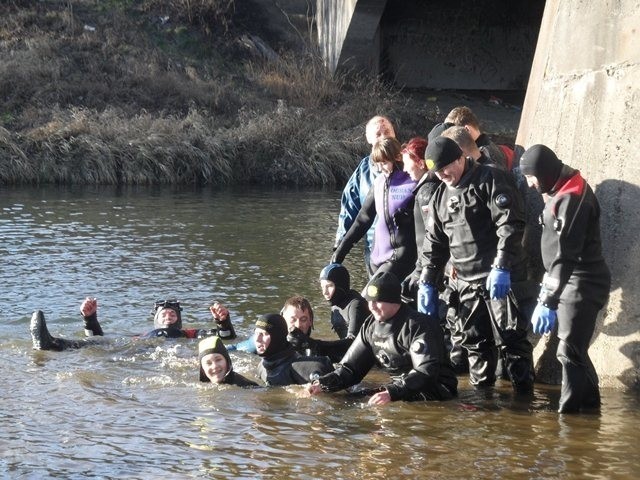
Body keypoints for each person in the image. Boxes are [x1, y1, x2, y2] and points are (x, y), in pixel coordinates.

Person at [417, 136, 535, 394]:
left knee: (511, 342)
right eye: (437, 172)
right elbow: (434, 243)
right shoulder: (439, 196)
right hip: (466, 284)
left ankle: (523, 405)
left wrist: (502, 265)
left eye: (446, 168)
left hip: (501, 279)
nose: (443, 175)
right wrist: (427, 279)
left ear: (460, 158)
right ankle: (483, 406)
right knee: (475, 345)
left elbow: (510, 225)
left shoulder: (490, 179)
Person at [520, 144, 611, 413]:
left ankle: (569, 419)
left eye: (533, 178)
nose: (532, 185)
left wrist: (547, 299)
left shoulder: (571, 197)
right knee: (576, 350)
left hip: (580, 281)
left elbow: (564, 255)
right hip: (569, 280)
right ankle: (591, 408)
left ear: (545, 172)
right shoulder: (565, 186)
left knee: (568, 351)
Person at [306, 271, 457, 405]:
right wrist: (321, 383)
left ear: (394, 301)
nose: (372, 307)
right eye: (370, 301)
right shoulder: (370, 326)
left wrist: (392, 392)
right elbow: (349, 370)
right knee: (341, 403)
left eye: (377, 301)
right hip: (398, 389)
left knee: (368, 407)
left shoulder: (419, 325)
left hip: (436, 390)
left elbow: (426, 372)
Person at [332, 137, 417, 281]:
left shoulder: (413, 181)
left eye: (384, 163)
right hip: (377, 257)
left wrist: (411, 215)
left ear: (397, 157)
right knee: (374, 302)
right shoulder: (379, 183)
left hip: (400, 255)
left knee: (372, 295)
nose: (380, 168)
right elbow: (363, 219)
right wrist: (340, 252)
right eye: (377, 164)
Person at [30, 298, 236, 351]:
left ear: (179, 319)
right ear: (155, 320)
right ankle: (51, 343)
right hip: (138, 349)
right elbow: (98, 339)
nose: (169, 316)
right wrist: (90, 319)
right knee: (98, 346)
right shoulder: (142, 334)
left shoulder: (190, 333)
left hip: (171, 355)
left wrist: (222, 320)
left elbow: (226, 338)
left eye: (173, 314)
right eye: (164, 314)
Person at [335, 115, 397, 276]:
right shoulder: (363, 170)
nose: (384, 136)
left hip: (405, 248)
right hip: (374, 247)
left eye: (387, 131)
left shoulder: (409, 162)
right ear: (369, 139)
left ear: (394, 133)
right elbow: (350, 206)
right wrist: (340, 244)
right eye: (378, 134)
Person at [398, 136, 441, 301]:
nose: (404, 170)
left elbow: (432, 235)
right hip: (429, 266)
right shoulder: (429, 187)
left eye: (407, 163)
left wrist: (420, 271)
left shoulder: (427, 191)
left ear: (421, 163)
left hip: (430, 269)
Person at [254, 313, 334, 386]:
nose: (258, 339)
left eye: (264, 334)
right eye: (256, 333)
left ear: (277, 338)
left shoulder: (307, 367)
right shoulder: (261, 367)